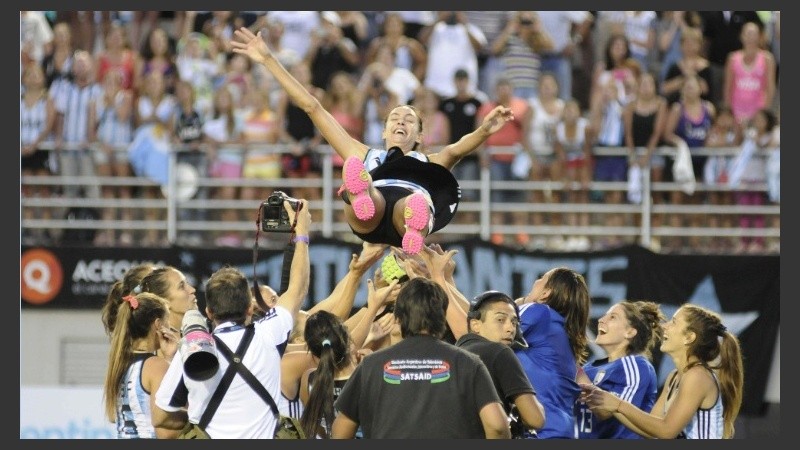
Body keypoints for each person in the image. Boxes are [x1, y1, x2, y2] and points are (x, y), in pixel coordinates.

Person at [230, 26, 514, 255]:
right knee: (361, 178)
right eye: (394, 117)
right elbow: (313, 107)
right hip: (371, 210)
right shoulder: (364, 152)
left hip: (407, 210)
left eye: (409, 119)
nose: (401, 121)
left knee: (412, 203)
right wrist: (268, 59)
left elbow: (457, 148)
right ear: (383, 131)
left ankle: (412, 226)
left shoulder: (429, 161)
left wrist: (484, 131)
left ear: (420, 136)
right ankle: (362, 194)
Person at [152, 200, 310, 438]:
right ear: (249, 308)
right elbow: (297, 290)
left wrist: (199, 417)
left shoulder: (193, 349)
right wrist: (302, 234)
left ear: (209, 313)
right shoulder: (268, 335)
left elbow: (161, 416)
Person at [330, 277, 511, 438]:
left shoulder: (371, 364)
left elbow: (340, 432)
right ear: (442, 318)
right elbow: (497, 427)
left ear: (398, 318)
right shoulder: (469, 363)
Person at [580, 304, 744, 439]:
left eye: (673, 322)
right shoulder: (674, 377)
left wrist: (618, 405)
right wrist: (614, 406)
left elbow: (666, 431)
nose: (665, 326)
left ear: (689, 337)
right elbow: (653, 431)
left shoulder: (698, 376)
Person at [455, 290, 546, 438]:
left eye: (514, 322)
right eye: (500, 320)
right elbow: (535, 419)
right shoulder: (500, 353)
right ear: (475, 325)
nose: (510, 328)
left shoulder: (451, 355)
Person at [514, 267, 591, 439]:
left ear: (546, 294)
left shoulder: (540, 312)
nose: (536, 281)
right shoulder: (560, 331)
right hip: (559, 431)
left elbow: (478, 333)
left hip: (539, 433)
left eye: (542, 278)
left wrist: (440, 278)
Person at [574, 300, 665, 439]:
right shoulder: (588, 368)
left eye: (612, 317)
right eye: (605, 315)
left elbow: (605, 411)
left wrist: (571, 362)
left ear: (630, 332)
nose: (601, 320)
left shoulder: (636, 366)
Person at [102, 292, 181, 438]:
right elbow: (165, 430)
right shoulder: (156, 366)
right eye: (167, 321)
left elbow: (114, 417)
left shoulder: (119, 364)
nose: (170, 327)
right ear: (158, 325)